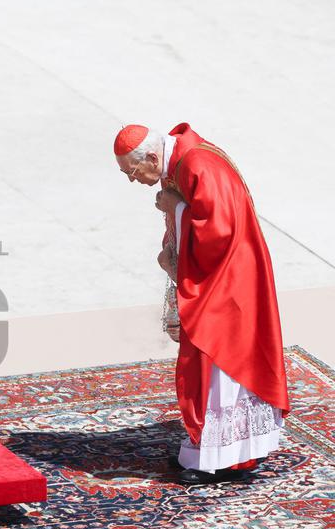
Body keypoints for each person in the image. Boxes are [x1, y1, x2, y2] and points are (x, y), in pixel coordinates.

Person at [113, 123, 289, 485]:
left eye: (132, 171)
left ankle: (223, 460)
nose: (133, 180)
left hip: (228, 278)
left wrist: (175, 207)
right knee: (214, 366)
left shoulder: (198, 166)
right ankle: (222, 451)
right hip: (222, 273)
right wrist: (172, 239)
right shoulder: (177, 163)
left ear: (151, 157)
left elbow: (218, 232)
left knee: (218, 361)